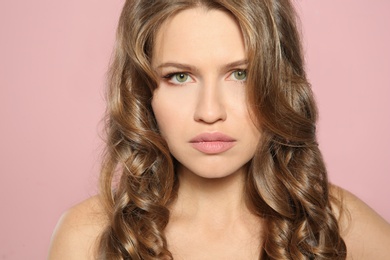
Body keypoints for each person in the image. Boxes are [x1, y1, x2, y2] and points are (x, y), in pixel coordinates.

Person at [48, 0, 390, 259]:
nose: (210, 112)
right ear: (143, 92)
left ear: (279, 85)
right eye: (179, 76)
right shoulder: (87, 238)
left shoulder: (335, 222)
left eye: (241, 74)